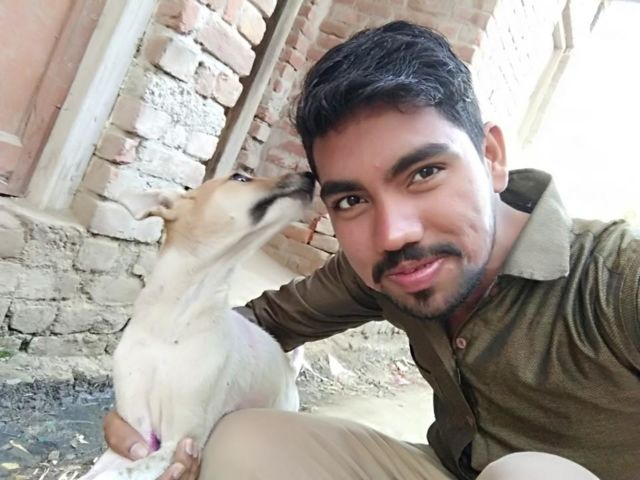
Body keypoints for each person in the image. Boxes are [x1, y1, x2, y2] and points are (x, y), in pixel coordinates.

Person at [102, 21, 639, 480]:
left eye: (424, 173)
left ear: (491, 156)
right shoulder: (387, 269)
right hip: (447, 468)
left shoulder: (616, 281)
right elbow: (252, 323)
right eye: (352, 200)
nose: (393, 233)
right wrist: (147, 397)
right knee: (241, 443)